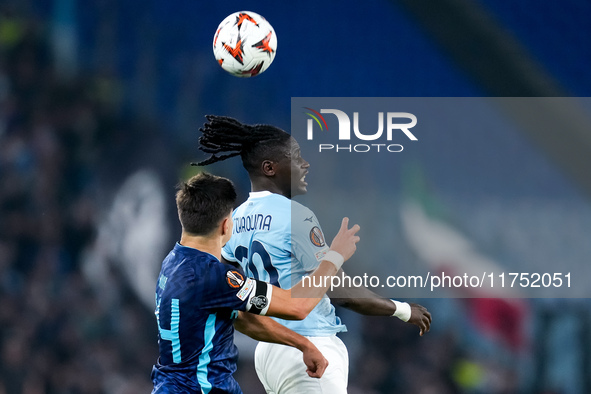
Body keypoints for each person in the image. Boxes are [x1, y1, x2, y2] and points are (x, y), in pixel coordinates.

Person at [194, 115, 432, 393]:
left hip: (269, 351)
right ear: (269, 168)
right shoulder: (296, 216)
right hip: (308, 344)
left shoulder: (234, 220)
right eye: (295, 157)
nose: (304, 164)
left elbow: (230, 297)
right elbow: (340, 292)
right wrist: (402, 310)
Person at [151, 172, 360, 393]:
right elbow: (297, 306)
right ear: (225, 225)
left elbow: (242, 318)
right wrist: (334, 257)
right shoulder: (214, 277)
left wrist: (302, 344)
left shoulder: (172, 262)